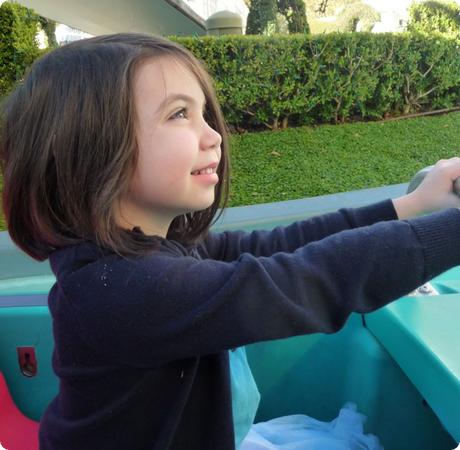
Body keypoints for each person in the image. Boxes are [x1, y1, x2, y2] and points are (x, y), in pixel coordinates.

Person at [1, 32, 460, 450]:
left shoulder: (154, 250)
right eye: (180, 114)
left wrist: (411, 206)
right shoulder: (123, 290)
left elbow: (277, 246)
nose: (214, 135)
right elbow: (304, 279)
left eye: (204, 112)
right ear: (89, 145)